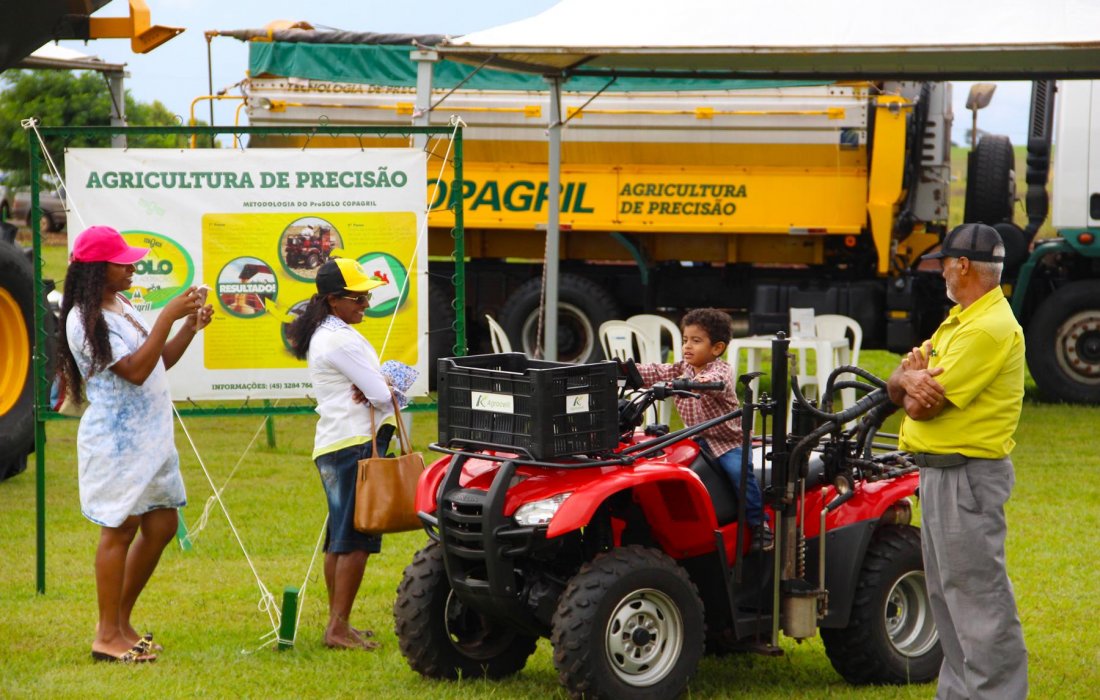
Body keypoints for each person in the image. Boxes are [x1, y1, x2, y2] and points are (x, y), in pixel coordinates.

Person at [56, 226, 213, 663]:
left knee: (161, 525)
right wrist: (167, 316)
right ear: (96, 270)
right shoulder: (84, 320)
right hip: (117, 443)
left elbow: (158, 361)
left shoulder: (122, 305)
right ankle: (106, 636)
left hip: (152, 438)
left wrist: (188, 327)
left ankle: (121, 623)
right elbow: (135, 372)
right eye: (122, 262)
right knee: (120, 529)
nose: (132, 268)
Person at [886, 223, 1028, 699]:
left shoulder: (987, 328)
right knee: (947, 597)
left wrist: (909, 383)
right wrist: (907, 379)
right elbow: (899, 383)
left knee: (978, 599)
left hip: (965, 478)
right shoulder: (960, 320)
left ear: (962, 265)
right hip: (941, 474)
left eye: (944, 264)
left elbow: (920, 406)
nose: (941, 273)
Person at [285, 257, 392, 650]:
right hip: (354, 444)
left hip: (336, 444)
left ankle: (338, 622)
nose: (366, 303)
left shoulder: (326, 333)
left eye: (366, 296)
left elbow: (374, 389)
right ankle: (337, 628)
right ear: (333, 300)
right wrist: (387, 385)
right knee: (355, 539)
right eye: (358, 298)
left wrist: (379, 385)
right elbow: (382, 395)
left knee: (340, 538)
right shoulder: (341, 339)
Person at [635, 308, 772, 551]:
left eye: (696, 341)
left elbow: (712, 381)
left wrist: (691, 384)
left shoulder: (722, 370)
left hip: (728, 442)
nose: (687, 346)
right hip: (696, 437)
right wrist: (627, 371)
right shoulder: (683, 368)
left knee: (739, 474)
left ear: (717, 348)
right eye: (685, 339)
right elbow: (657, 371)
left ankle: (759, 523)